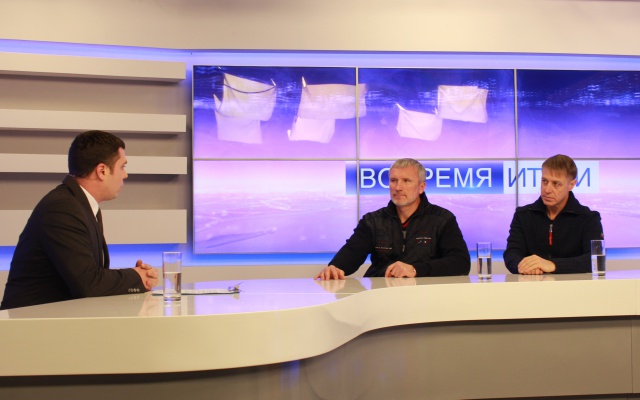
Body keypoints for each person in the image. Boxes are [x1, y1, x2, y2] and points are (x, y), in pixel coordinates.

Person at [0, 130, 158, 310]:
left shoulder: (79, 204)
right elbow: (88, 283)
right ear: (102, 171)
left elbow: (89, 276)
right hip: (29, 322)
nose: (125, 175)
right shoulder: (62, 208)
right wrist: (136, 277)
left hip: (53, 319)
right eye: (122, 167)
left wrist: (135, 277)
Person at [315, 158, 470, 280]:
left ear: (421, 187)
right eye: (393, 180)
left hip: (425, 297)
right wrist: (335, 268)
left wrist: (415, 269)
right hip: (380, 296)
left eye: (406, 181)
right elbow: (351, 254)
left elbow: (461, 262)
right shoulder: (373, 221)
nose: (398, 187)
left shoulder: (442, 219)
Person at [503, 154, 603, 275]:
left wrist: (552, 265)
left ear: (571, 185)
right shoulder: (523, 215)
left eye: (556, 184)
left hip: (575, 285)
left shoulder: (589, 218)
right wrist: (526, 267)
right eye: (544, 181)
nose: (547, 190)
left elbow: (595, 259)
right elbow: (511, 254)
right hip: (532, 283)